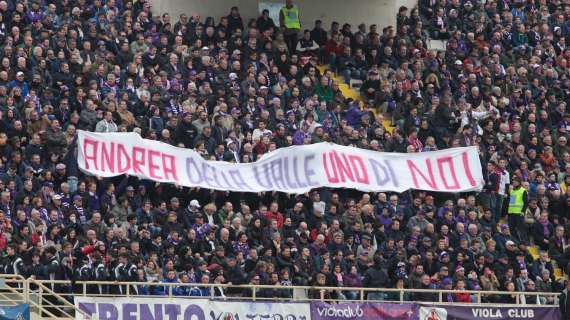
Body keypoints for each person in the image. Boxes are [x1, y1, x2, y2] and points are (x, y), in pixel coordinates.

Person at [507, 176, 528, 242]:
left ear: (519, 183)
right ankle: (516, 241)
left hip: (519, 213)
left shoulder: (523, 191)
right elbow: (511, 203)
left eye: (515, 182)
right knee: (511, 229)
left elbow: (526, 202)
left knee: (521, 229)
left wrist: (523, 211)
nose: (513, 183)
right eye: (513, 182)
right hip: (511, 213)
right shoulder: (512, 191)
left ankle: (524, 242)